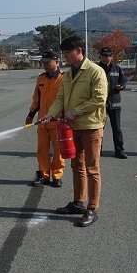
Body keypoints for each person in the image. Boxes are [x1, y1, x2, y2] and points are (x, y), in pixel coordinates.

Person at [38, 35, 108, 227]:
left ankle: (92, 208)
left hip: (91, 127)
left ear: (79, 50)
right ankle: (78, 202)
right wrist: (50, 114)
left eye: (68, 53)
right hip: (73, 128)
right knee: (76, 166)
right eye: (63, 53)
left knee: (92, 168)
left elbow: (99, 99)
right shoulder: (68, 74)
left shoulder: (96, 72)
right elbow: (60, 98)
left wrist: (75, 111)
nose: (65, 57)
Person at [25, 50, 65, 187]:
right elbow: (37, 99)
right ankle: (44, 175)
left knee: (58, 151)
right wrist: (30, 115)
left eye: (48, 62)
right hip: (42, 122)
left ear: (57, 62)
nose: (45, 65)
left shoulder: (64, 78)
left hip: (57, 122)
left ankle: (57, 175)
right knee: (42, 149)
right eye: (44, 63)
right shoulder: (41, 78)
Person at [97, 47, 128, 159]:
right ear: (100, 56)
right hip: (100, 103)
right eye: (104, 55)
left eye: (108, 55)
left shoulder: (117, 68)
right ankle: (97, 150)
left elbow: (123, 79)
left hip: (114, 102)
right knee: (99, 128)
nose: (106, 58)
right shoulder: (96, 68)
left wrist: (122, 86)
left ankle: (119, 150)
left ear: (112, 56)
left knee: (117, 128)